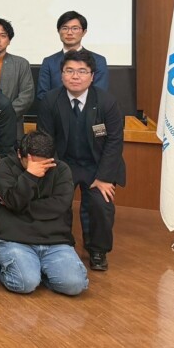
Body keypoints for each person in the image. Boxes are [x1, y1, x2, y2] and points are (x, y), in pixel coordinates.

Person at [36, 50, 125, 272]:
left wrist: (104, 178)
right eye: (69, 71)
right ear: (62, 74)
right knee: (56, 201)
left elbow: (114, 141)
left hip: (97, 165)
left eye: (82, 71)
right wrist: (55, 174)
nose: (75, 76)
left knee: (100, 203)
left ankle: (97, 250)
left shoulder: (106, 102)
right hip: (63, 164)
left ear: (92, 76)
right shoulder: (50, 101)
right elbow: (45, 140)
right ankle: (62, 246)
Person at [0, 131, 88, 296]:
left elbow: (60, 205)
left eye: (44, 165)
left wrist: (18, 208)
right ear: (19, 154)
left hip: (55, 241)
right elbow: (15, 201)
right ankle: (4, 268)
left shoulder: (62, 170)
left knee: (75, 285)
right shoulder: (4, 167)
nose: (39, 169)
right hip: (16, 239)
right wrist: (29, 176)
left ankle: (40, 271)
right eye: (32, 164)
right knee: (25, 284)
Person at [37, 10, 110, 100]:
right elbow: (42, 96)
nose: (69, 33)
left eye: (75, 28)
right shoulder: (49, 62)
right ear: (58, 31)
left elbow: (100, 94)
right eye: (65, 28)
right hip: (55, 108)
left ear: (84, 32)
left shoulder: (98, 60)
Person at [0, 18, 34, 133]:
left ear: (9, 40)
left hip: (11, 126)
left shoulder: (21, 64)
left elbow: (26, 96)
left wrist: (3, 116)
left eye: (3, 35)